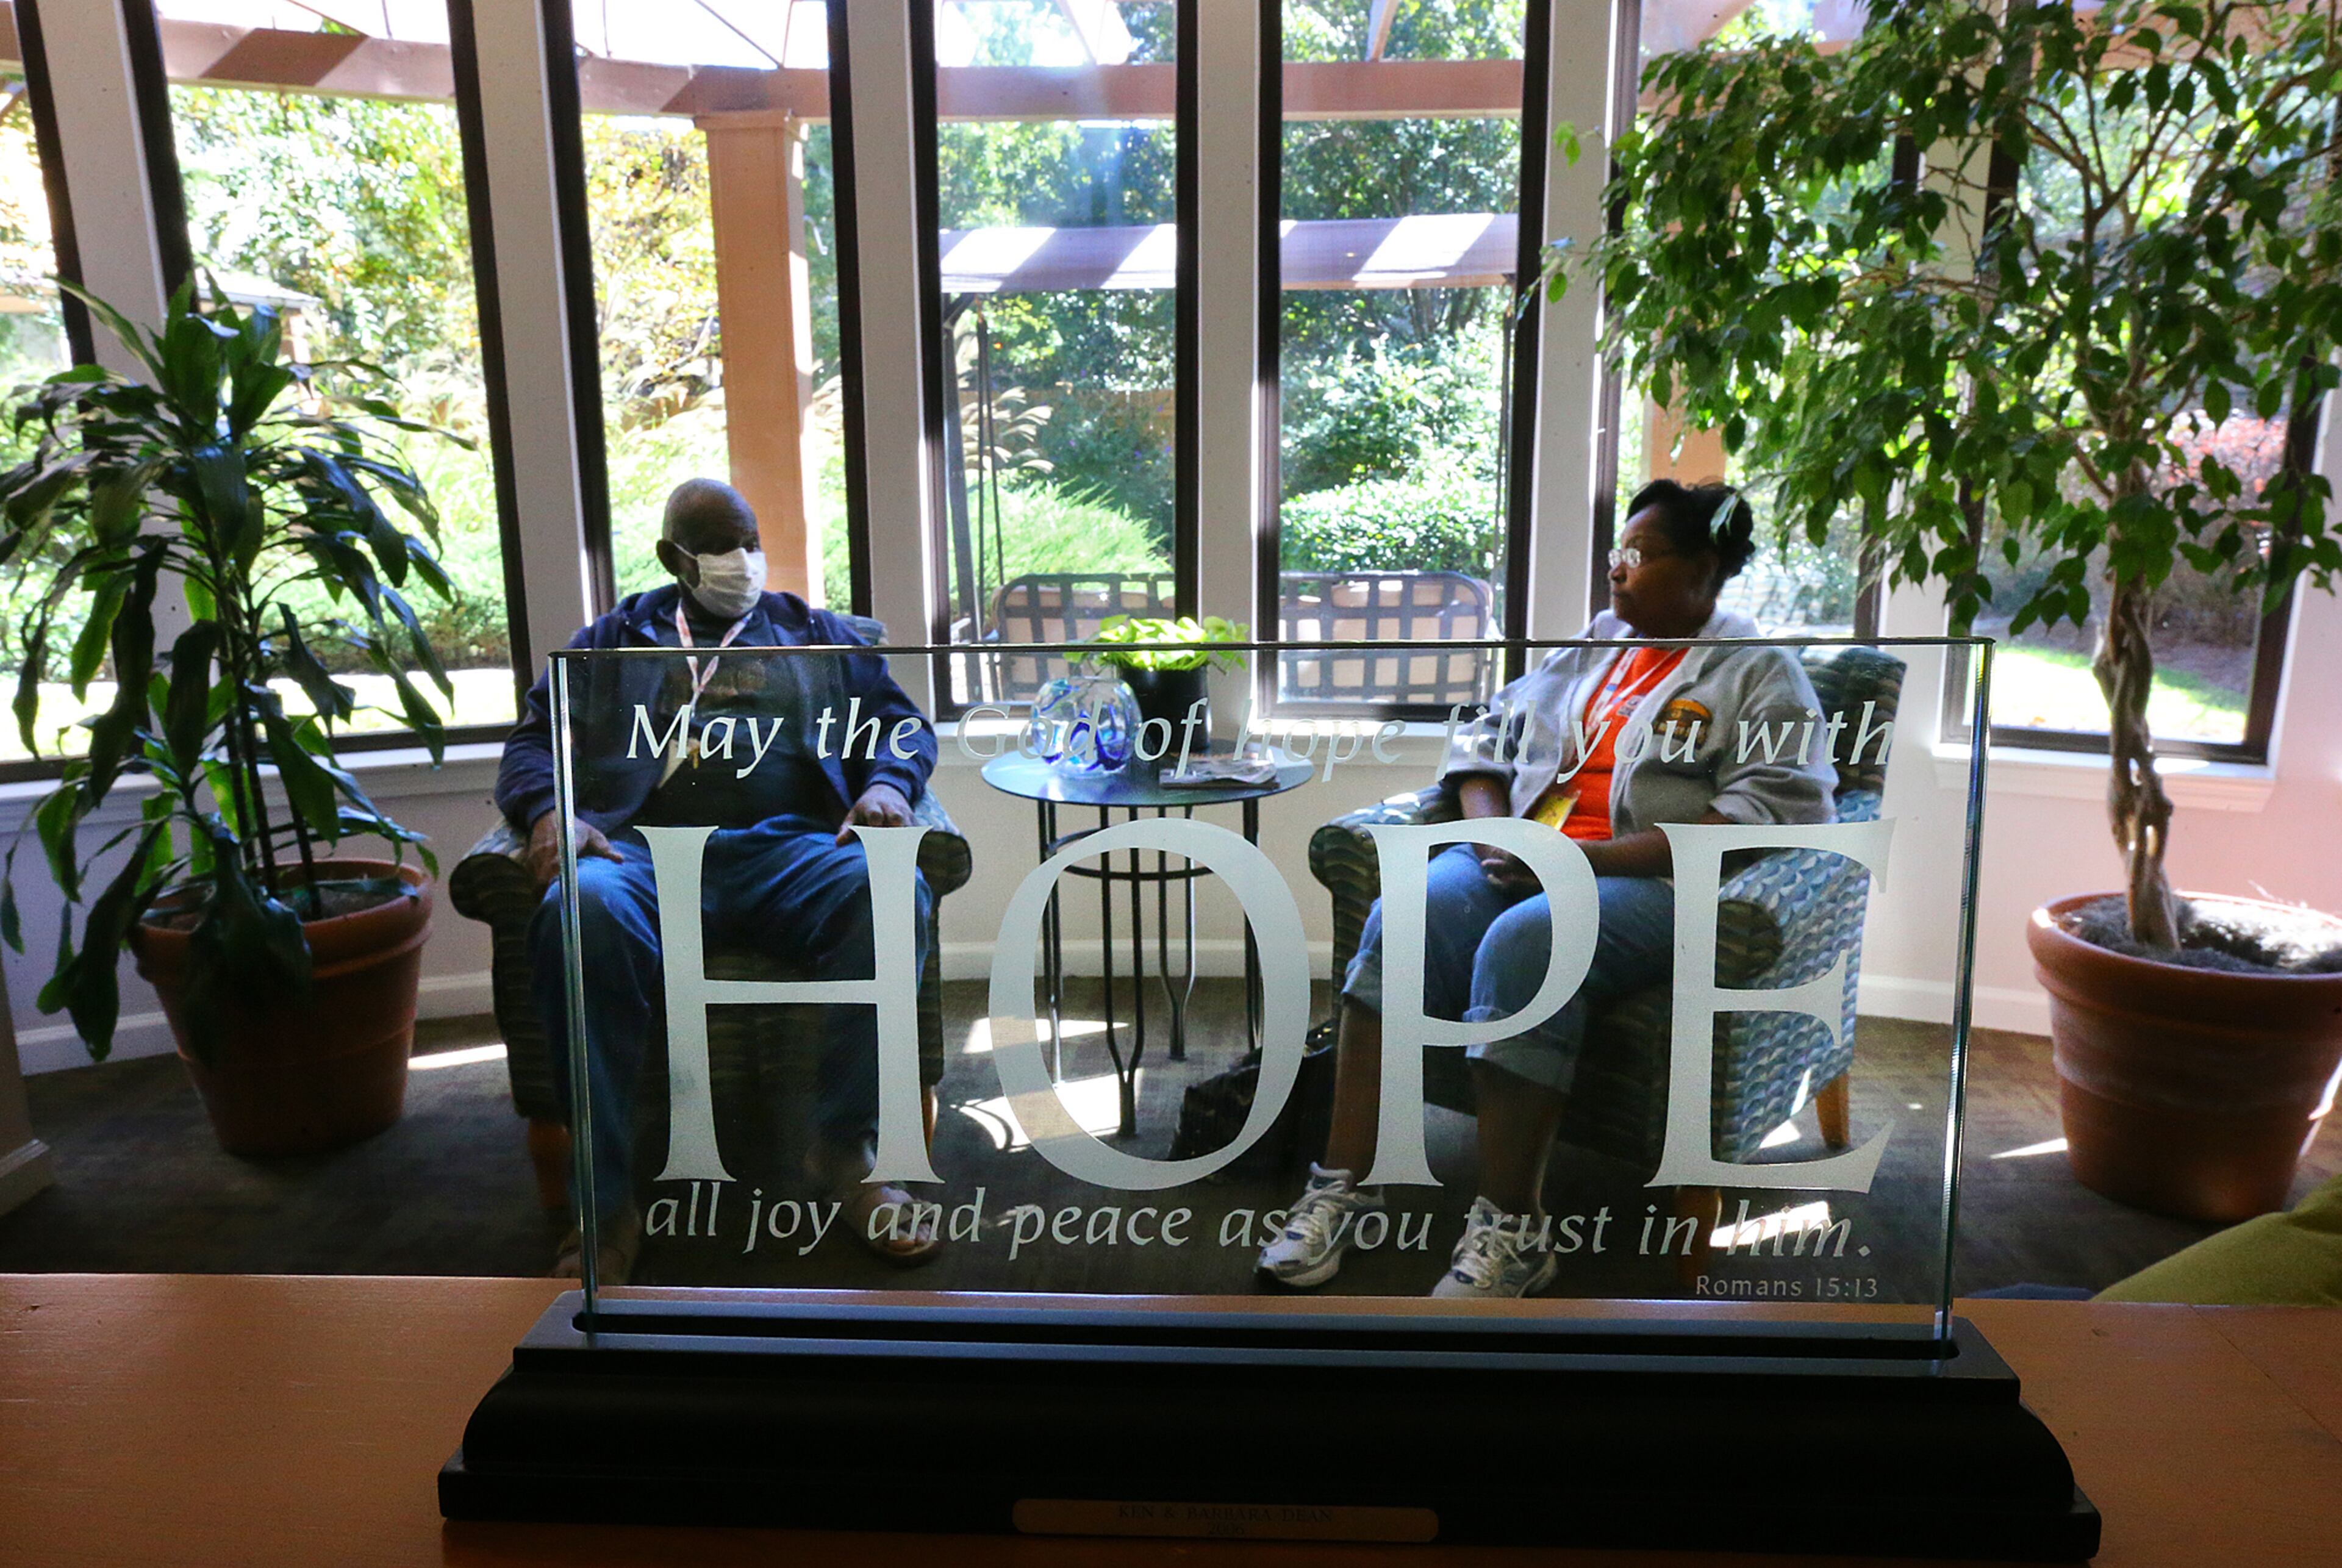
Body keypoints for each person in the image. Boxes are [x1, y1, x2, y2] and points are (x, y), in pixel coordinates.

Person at [1258, 481, 1838, 1299]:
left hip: (1649, 877)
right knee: (1406, 912)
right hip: (1526, 856)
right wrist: (1500, 832)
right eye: (1616, 554)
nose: (1616, 572)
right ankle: (1346, 1189)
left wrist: (1578, 865)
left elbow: (1772, 809)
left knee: (1532, 938)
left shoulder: (1758, 672)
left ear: (1704, 570)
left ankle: (1516, 1231)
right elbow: (1488, 734)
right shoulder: (1598, 645)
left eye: (1639, 556)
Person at [496, 478, 938, 1281]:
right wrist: (546, 813)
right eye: (725, 549)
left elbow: (900, 723)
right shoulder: (612, 641)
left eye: (752, 542)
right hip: (643, 859)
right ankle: (607, 1203)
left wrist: (885, 787)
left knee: (887, 889)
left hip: (788, 853)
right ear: (675, 558)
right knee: (578, 909)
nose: (747, 562)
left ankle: (850, 1154)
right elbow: (533, 743)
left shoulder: (812, 632)